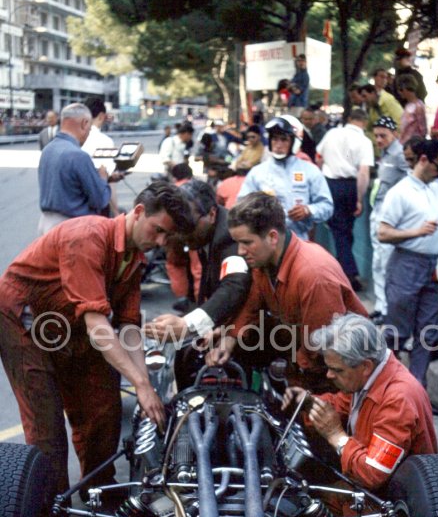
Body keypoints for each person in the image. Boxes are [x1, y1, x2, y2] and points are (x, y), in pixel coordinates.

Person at [0, 181, 193, 495]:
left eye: (168, 237)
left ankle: (99, 492)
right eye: (157, 230)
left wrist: (146, 386)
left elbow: (129, 327)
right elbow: (99, 327)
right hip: (23, 322)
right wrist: (141, 386)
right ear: (139, 212)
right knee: (47, 427)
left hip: (71, 324)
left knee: (104, 408)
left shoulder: (134, 258)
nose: (159, 242)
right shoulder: (87, 237)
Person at [205, 192, 368, 390]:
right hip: (307, 348)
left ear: (272, 237)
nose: (240, 251)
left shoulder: (314, 276)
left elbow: (320, 349)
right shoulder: (264, 261)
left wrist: (295, 381)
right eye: (238, 243)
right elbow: (252, 305)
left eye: (247, 242)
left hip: (339, 367)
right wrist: (231, 337)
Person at [282, 313, 437, 491]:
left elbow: (373, 474)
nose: (329, 375)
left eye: (337, 370)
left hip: (391, 501)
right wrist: (309, 402)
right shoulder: (370, 376)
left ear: (366, 366)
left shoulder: (398, 400)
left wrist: (336, 436)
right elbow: (340, 404)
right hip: (363, 485)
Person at [378, 137, 438, 397]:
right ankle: (390, 392)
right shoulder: (400, 192)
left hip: (433, 266)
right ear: (423, 160)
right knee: (397, 333)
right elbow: (383, 233)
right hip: (406, 264)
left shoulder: (436, 190)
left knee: (427, 333)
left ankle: (418, 394)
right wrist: (415, 232)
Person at [145, 179, 251, 380]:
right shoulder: (205, 234)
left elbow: (234, 285)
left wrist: (188, 324)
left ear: (211, 214)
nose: (183, 236)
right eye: (179, 228)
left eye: (189, 227)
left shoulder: (228, 237)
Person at [237, 114, 333, 241]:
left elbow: (327, 206)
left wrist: (308, 210)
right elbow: (241, 205)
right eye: (275, 139)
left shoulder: (310, 171)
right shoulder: (257, 172)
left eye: (284, 139)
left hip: (299, 241)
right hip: (266, 243)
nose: (278, 145)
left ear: (294, 142)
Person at [316, 108, 374, 289]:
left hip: (330, 184)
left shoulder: (332, 133)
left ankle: (345, 272)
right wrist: (359, 198)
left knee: (340, 231)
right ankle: (349, 273)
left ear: (349, 119)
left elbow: (319, 157)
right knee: (344, 231)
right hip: (350, 185)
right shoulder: (364, 141)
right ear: (364, 122)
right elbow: (363, 172)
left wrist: (321, 174)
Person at [37, 102, 111, 234]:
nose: (88, 135)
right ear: (84, 123)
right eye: (89, 130)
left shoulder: (48, 150)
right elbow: (100, 200)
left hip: (45, 225)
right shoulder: (79, 156)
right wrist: (103, 178)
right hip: (70, 230)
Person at [369, 117, 410, 323]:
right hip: (377, 209)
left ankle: (387, 310)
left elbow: (411, 180)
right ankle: (380, 305)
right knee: (377, 261)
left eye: (383, 135)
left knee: (386, 262)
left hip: (389, 214)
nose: (378, 139)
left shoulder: (401, 154)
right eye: (376, 135)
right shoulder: (385, 153)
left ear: (394, 133)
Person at [82, 96, 121, 216]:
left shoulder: (75, 138)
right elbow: (108, 182)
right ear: (101, 116)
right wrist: (116, 212)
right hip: (97, 208)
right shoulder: (105, 141)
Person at [396, 74, 427, 144]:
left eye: (401, 89)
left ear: (407, 88)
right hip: (403, 144)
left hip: (413, 146)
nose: (399, 92)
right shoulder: (408, 105)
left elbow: (423, 130)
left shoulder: (418, 106)